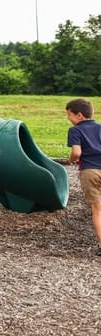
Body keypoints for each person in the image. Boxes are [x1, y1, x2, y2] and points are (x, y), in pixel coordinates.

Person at [64, 98, 101, 256]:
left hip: (90, 171)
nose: (68, 118)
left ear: (79, 115)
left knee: (97, 210)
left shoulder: (76, 130)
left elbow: (77, 152)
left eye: (69, 115)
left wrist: (70, 160)